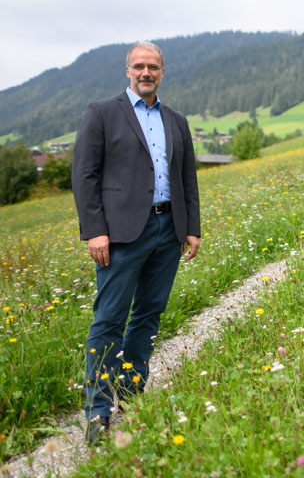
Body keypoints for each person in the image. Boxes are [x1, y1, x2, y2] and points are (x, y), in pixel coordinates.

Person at [72, 41, 200, 444]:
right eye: (139, 66)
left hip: (169, 231)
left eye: (154, 67)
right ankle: (97, 415)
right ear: (127, 70)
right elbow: (84, 174)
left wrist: (191, 227)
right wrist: (95, 230)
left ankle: (129, 396)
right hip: (121, 234)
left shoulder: (176, 121)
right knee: (108, 320)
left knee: (148, 316)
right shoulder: (103, 112)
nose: (147, 73)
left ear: (163, 72)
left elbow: (187, 179)